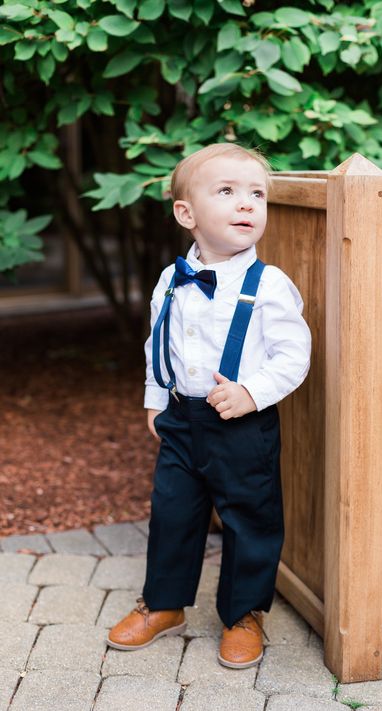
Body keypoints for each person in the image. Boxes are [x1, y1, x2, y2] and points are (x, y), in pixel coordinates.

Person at [107, 142, 312, 668]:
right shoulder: (170, 280)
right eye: (228, 192)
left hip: (243, 424)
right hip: (182, 418)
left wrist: (252, 392)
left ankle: (244, 614)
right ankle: (164, 603)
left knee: (250, 516)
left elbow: (296, 355)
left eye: (256, 195)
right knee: (173, 510)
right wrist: (157, 398)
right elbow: (159, 342)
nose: (247, 205)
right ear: (187, 213)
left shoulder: (269, 285)